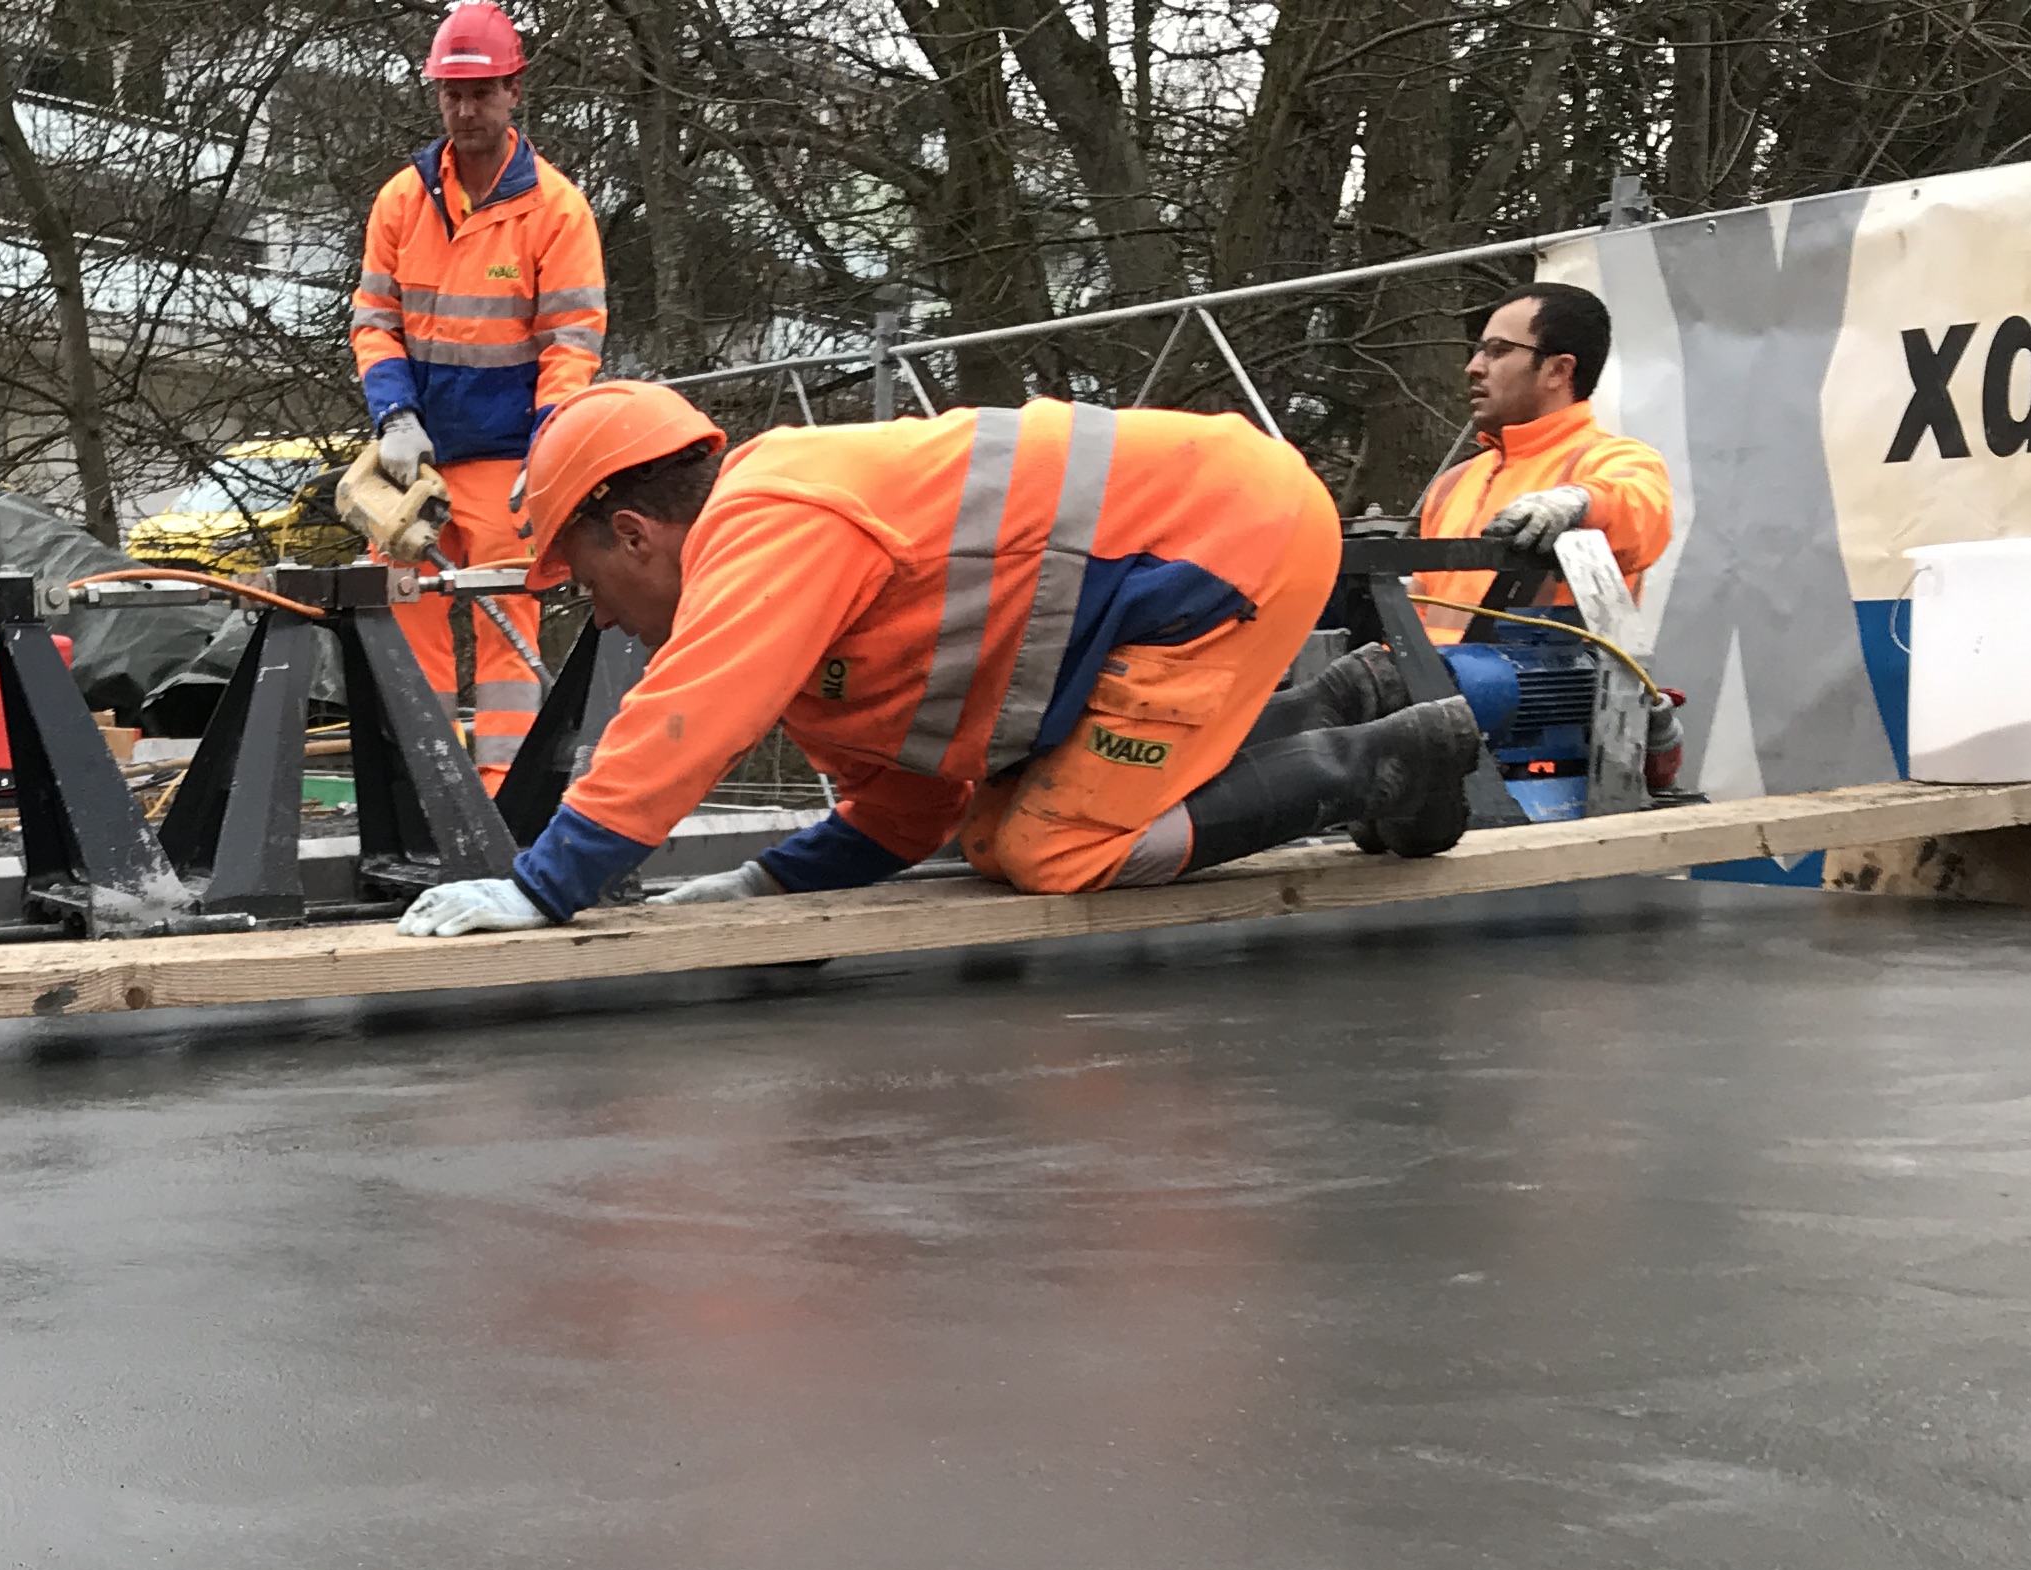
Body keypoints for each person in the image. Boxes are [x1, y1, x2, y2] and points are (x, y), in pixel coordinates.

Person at [397, 382, 1487, 938]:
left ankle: (1381, 764)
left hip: (1224, 543)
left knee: (1056, 851)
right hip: (1205, 542)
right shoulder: (802, 583)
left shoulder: (769, 520)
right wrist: (767, 882)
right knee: (992, 830)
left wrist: (545, 887)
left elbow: (693, 715)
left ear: (635, 533)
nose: (602, 619)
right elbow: (913, 804)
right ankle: (1329, 709)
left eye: (586, 582)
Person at [351, 1, 605, 790]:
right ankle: (424, 789)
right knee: (403, 614)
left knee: (508, 624)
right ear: (438, 96)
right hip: (417, 458)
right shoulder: (402, 201)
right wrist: (394, 415)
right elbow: (374, 323)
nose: (466, 110)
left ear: (513, 91)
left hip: (506, 459)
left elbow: (571, 345)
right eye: (453, 95)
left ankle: (505, 793)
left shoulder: (555, 210)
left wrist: (547, 448)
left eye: (481, 93)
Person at [1415, 282, 1673, 637]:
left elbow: (1641, 510)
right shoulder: (1452, 484)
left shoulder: (1608, 460)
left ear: (1558, 371)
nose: (1473, 367)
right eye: (1479, 351)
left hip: (1552, 673)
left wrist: (1579, 502)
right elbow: (1418, 613)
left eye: (1498, 351)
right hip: (1429, 672)